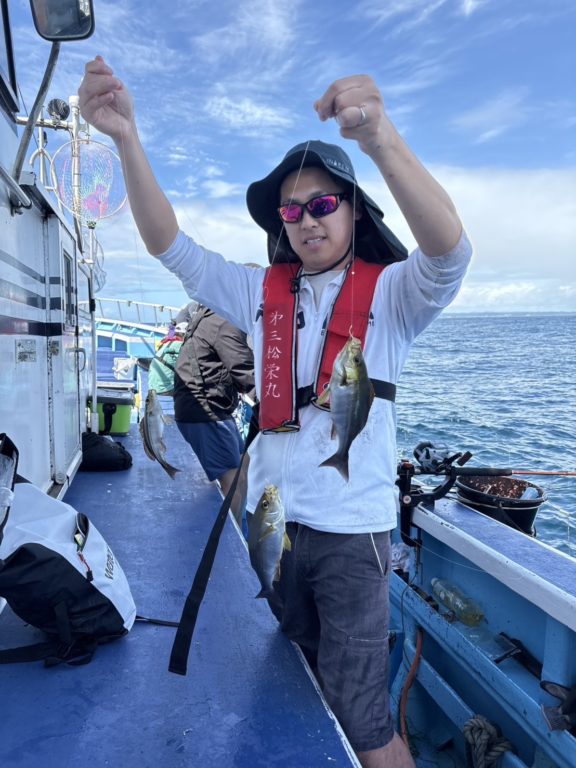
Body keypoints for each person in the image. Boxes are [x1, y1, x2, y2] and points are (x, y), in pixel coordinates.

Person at [79, 56, 472, 768]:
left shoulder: (393, 296)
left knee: (364, 720)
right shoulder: (259, 292)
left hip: (352, 537)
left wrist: (379, 137)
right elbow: (170, 246)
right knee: (296, 669)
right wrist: (126, 139)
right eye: (292, 210)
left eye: (323, 204)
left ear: (354, 208)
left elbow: (449, 253)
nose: (307, 220)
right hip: (276, 525)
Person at [171, 301, 255, 525]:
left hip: (207, 406)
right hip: (205, 411)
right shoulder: (223, 322)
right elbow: (245, 370)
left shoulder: (214, 315)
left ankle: (236, 523)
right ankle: (232, 536)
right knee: (233, 481)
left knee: (244, 461)